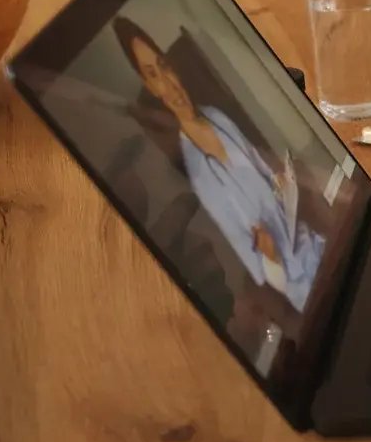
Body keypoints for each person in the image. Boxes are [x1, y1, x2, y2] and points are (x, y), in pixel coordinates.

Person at [114, 17, 323, 314]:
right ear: (150, 86)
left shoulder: (217, 117)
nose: (169, 82)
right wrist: (270, 257)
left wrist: (285, 182)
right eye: (153, 74)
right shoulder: (200, 174)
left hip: (318, 247)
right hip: (307, 289)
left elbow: (272, 180)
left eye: (164, 65)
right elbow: (264, 271)